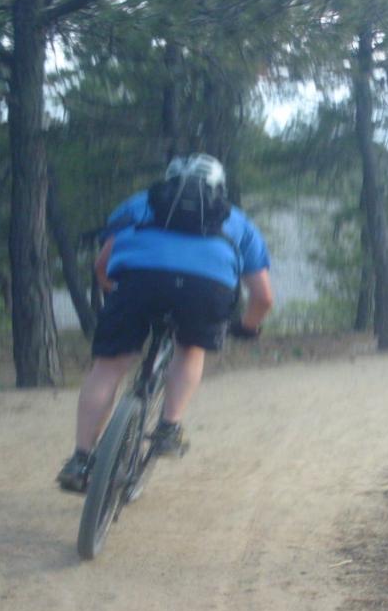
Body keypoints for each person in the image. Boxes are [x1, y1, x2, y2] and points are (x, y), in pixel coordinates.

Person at [57, 153, 273, 493]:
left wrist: (120, 292)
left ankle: (81, 459)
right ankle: (168, 429)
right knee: (190, 349)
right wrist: (247, 326)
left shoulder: (140, 204)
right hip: (205, 290)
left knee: (109, 368)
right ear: (219, 187)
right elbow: (263, 297)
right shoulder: (238, 221)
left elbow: (103, 264)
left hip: (139, 283)